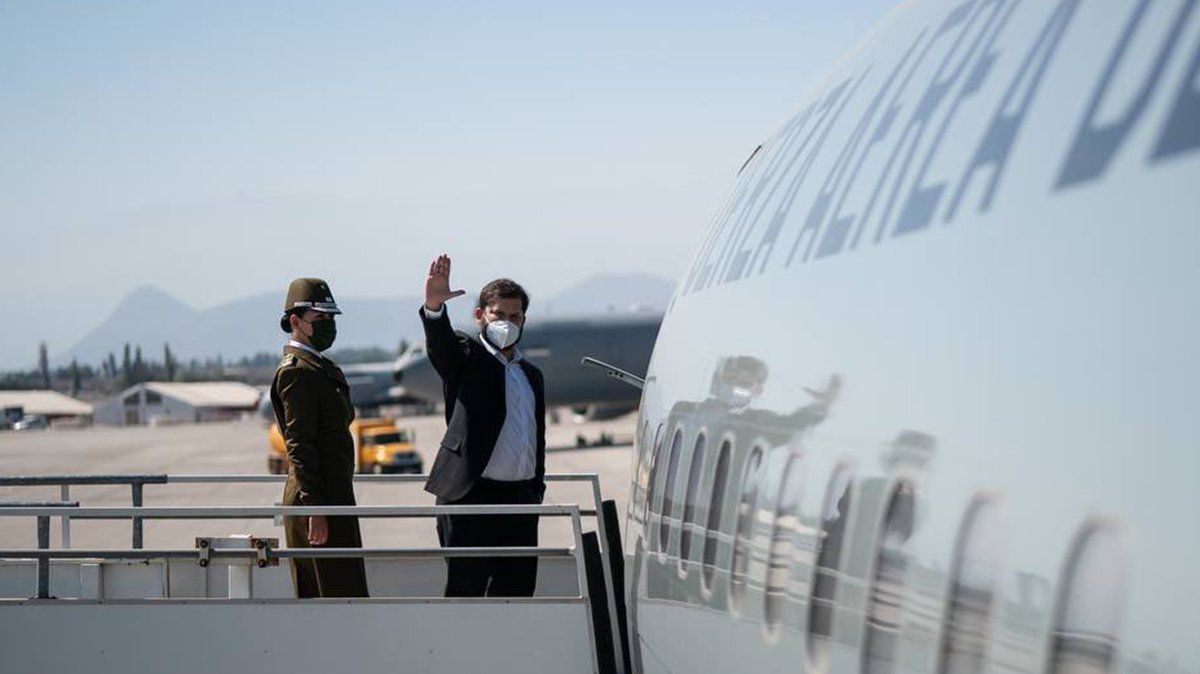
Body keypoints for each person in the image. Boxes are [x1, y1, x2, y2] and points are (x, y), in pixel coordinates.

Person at [420, 254, 547, 597]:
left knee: (518, 594)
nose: (507, 322)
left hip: (520, 503)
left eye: (515, 316)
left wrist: (536, 491)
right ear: (480, 316)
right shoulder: (466, 357)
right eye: (499, 315)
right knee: (467, 595)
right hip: (471, 500)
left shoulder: (530, 376)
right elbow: (441, 347)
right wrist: (434, 308)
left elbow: (536, 439)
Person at [270, 277, 369, 598]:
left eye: (330, 318)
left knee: (346, 592)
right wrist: (314, 508)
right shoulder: (297, 371)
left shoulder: (318, 366)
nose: (328, 325)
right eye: (319, 318)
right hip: (317, 499)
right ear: (295, 321)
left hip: (332, 494)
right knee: (330, 597)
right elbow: (299, 443)